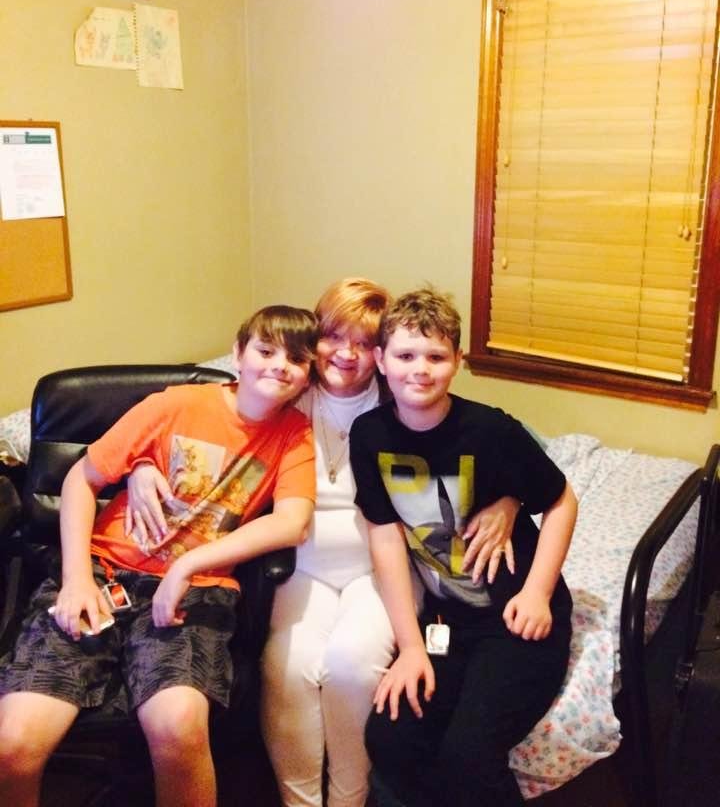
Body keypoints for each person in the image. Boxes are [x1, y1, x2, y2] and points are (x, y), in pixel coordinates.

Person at [125, 278, 520, 807]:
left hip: (381, 569)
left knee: (351, 667)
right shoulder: (284, 392)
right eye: (334, 337)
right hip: (299, 566)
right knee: (287, 669)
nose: (347, 354)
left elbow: (486, 444)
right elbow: (203, 423)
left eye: (364, 342)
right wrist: (141, 463)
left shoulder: (401, 397)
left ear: (381, 353)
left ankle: (348, 800)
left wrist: (509, 499)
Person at [0, 305, 319, 807]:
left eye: (296, 359)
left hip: (196, 592)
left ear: (308, 375)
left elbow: (292, 522)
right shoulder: (177, 404)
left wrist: (188, 565)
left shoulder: (294, 433)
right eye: (265, 350)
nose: (279, 365)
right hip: (102, 573)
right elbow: (82, 478)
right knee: (15, 745)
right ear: (238, 354)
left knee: (178, 728)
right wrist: (77, 578)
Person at [349, 287, 578, 807]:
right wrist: (411, 647)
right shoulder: (369, 435)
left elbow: (561, 500)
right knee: (390, 739)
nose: (420, 370)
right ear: (380, 360)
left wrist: (538, 593)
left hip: (513, 619)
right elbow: (385, 536)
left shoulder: (491, 430)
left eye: (435, 357)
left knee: (467, 756)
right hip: (446, 622)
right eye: (405, 356)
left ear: (457, 361)